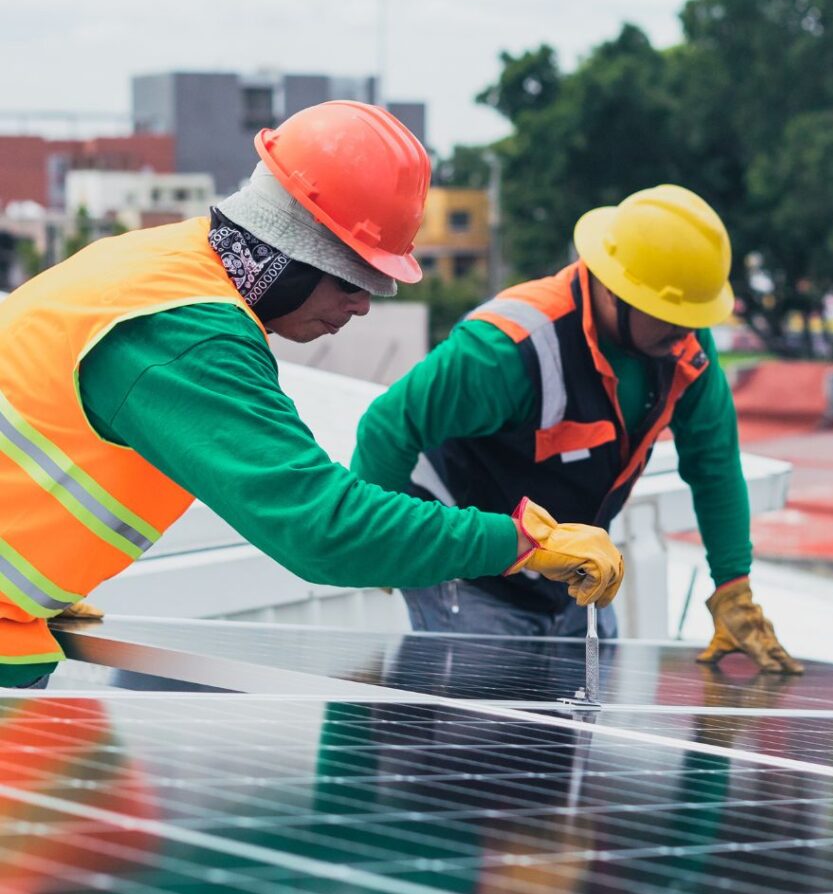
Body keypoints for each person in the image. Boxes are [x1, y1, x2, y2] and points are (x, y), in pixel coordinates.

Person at [0, 101, 623, 689]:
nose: (361, 306)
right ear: (295, 253)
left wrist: (43, 575)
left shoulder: (165, 264)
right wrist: (521, 543)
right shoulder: (186, 335)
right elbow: (322, 528)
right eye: (356, 279)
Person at [350, 184, 802, 673]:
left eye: (693, 319)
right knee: (487, 733)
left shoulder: (683, 351)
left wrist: (733, 588)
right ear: (613, 289)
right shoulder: (508, 348)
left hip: (573, 577)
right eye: (672, 316)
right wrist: (381, 546)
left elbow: (714, 466)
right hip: (472, 576)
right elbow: (388, 426)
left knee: (575, 733)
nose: (686, 333)